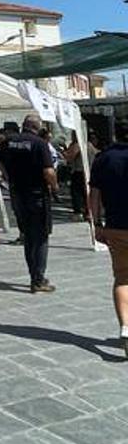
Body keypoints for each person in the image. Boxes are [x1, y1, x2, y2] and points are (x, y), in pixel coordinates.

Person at [0, 115, 59, 293]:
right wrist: (54, 187)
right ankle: (38, 279)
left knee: (27, 235)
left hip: (17, 193)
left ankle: (33, 274)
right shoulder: (39, 143)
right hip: (37, 194)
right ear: (37, 127)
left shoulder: (7, 142)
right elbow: (48, 171)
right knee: (41, 237)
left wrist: (8, 177)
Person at [89, 122, 128, 357]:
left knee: (123, 277)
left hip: (116, 226)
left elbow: (94, 194)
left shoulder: (103, 158)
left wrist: (97, 225)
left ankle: (126, 326)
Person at [64, 130, 96, 221]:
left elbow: (69, 157)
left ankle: (78, 213)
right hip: (89, 172)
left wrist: (63, 152)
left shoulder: (78, 145)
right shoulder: (90, 145)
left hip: (79, 172)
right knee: (87, 193)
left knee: (77, 193)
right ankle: (88, 212)